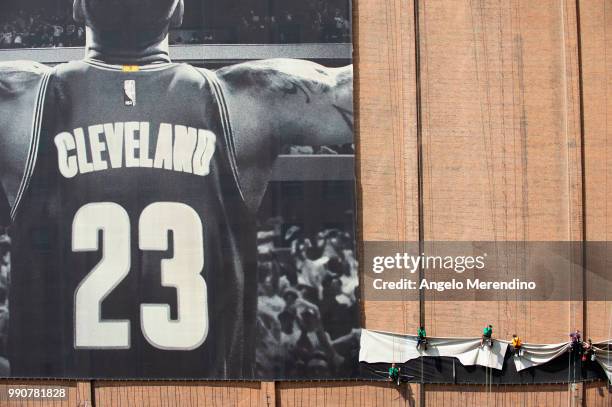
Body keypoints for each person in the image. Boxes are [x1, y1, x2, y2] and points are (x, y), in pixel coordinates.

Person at [0, 0, 353, 378]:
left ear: (77, 8)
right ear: (180, 11)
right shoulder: (246, 101)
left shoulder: (20, 101)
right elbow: (368, 87)